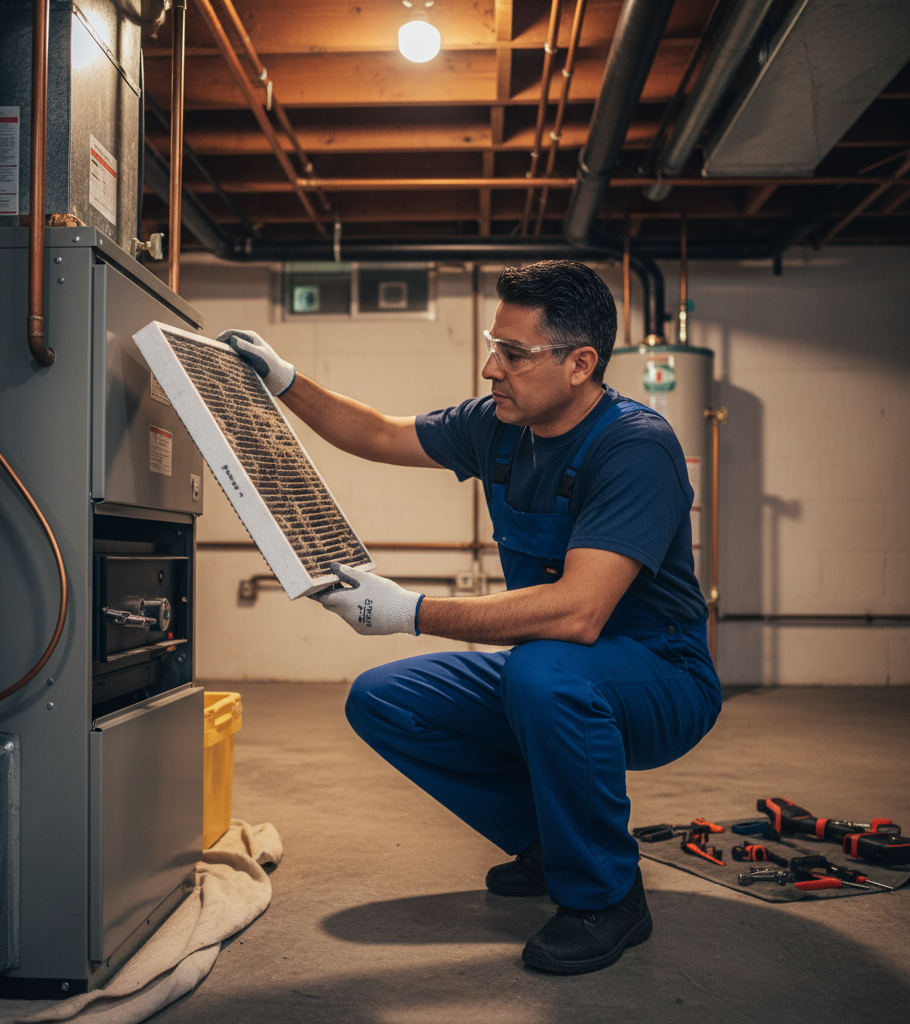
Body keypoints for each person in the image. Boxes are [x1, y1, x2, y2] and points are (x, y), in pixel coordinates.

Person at [218, 260, 721, 975]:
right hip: (555, 669)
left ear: (581, 364)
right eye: (493, 346)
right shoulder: (499, 427)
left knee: (544, 670)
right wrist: (286, 380)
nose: (491, 369)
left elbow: (579, 612)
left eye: (514, 353)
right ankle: (552, 843)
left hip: (661, 676)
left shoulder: (634, 446)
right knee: (385, 698)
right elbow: (382, 434)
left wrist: (410, 612)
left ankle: (607, 898)